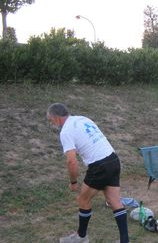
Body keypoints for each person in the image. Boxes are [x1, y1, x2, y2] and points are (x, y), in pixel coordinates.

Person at [47, 103, 130, 243]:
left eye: (51, 120)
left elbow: (71, 161)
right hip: (113, 160)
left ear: (56, 118)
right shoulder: (82, 119)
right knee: (115, 201)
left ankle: (81, 237)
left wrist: (73, 182)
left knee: (82, 199)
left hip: (99, 166)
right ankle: (125, 241)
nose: (52, 123)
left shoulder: (66, 131)